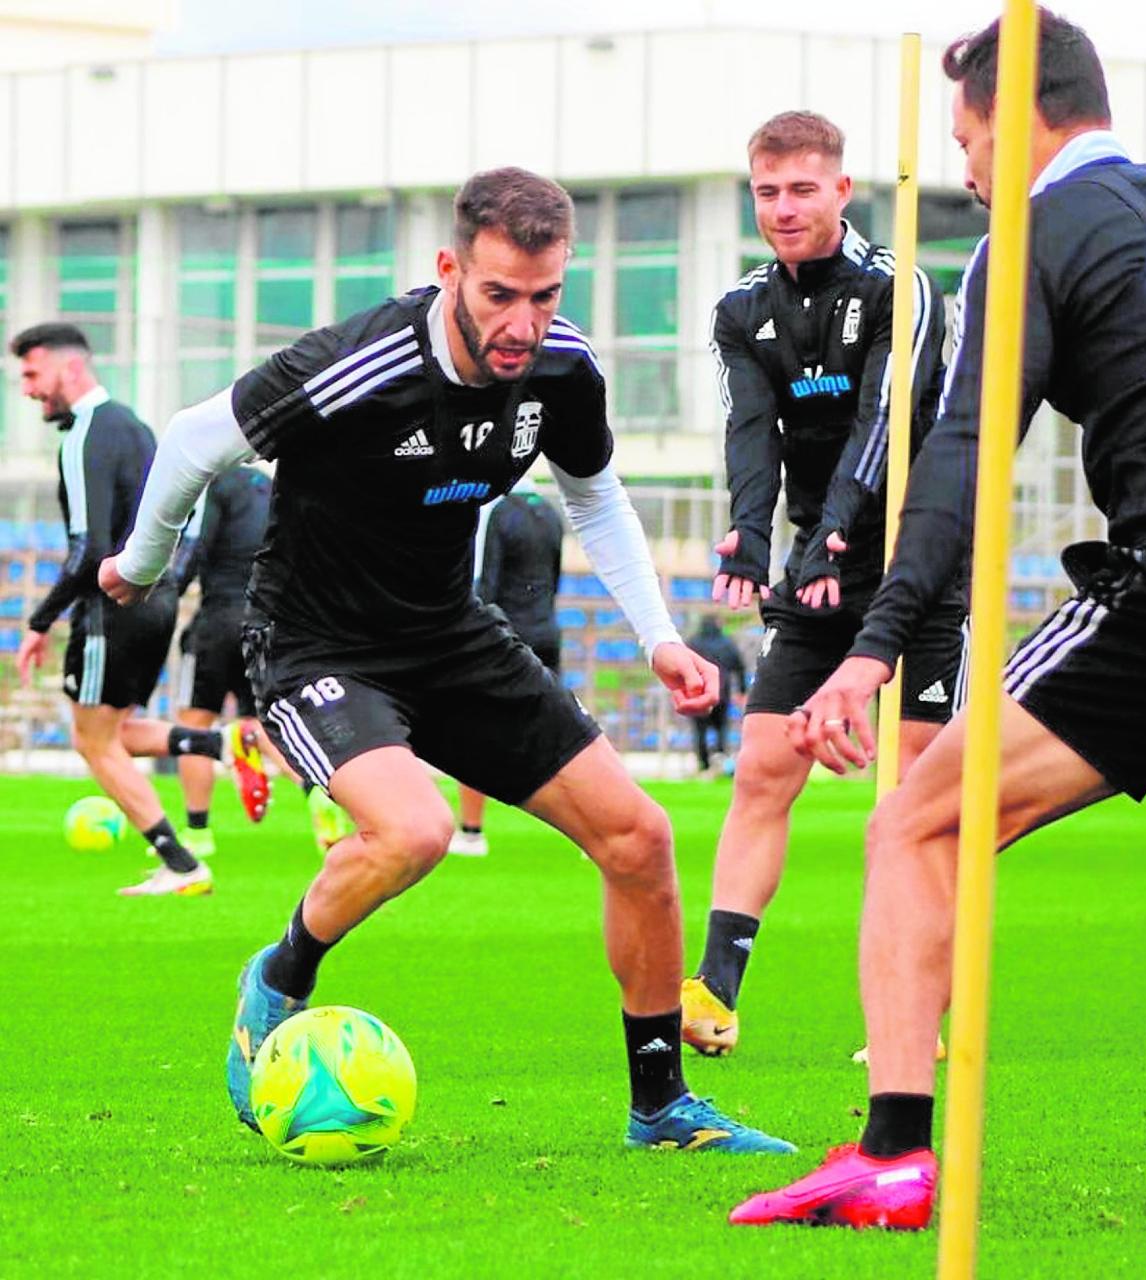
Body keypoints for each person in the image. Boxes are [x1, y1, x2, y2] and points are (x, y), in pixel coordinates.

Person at [100, 167, 795, 1155]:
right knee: (416, 827)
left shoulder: (561, 367)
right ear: (449, 269)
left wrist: (659, 636)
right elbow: (193, 438)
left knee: (639, 838)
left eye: (546, 294)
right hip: (316, 642)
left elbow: (594, 495)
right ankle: (283, 971)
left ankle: (661, 1107)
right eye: (499, 294)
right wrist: (140, 561)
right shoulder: (358, 362)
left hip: (450, 633)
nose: (524, 322)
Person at [730, 10, 1146, 1228]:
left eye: (965, 138)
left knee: (915, 823)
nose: (961, 168)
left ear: (1015, 122)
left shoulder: (1026, 237)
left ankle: (894, 1153)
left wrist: (870, 651)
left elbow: (959, 463)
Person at [681, 111, 966, 1058]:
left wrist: (838, 530)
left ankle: (921, 1013)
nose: (783, 208)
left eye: (803, 189)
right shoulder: (742, 311)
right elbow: (750, 432)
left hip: (915, 566)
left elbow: (880, 428)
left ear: (844, 192)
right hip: (815, 571)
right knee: (763, 766)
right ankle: (714, 991)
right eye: (767, 191)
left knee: (914, 800)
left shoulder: (901, 287)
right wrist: (748, 539)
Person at [9, 323, 256, 897]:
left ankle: (181, 863)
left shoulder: (85, 434)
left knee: (92, 741)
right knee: (117, 729)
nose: (26, 389)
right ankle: (220, 744)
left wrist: (40, 621)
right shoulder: (135, 428)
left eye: (31, 373)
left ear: (69, 368)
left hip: (113, 604)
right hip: (157, 597)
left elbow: (88, 549)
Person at [172, 465, 351, 855]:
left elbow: (196, 544)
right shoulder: (275, 490)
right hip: (265, 624)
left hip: (217, 620)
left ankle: (197, 832)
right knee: (262, 720)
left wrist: (170, 595)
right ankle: (314, 791)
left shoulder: (214, 484)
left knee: (194, 719)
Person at [448, 480, 565, 857]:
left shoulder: (497, 511)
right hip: (547, 630)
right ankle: (595, 823)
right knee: (564, 732)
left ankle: (471, 832)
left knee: (472, 728)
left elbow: (488, 583)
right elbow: (555, 579)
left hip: (508, 636)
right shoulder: (550, 513)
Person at [685, 614, 746, 777]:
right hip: (721, 694)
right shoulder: (727, 643)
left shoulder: (693, 642)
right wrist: (741, 690)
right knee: (721, 729)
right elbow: (740, 667)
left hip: (698, 693)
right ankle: (720, 762)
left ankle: (704, 765)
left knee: (700, 730)